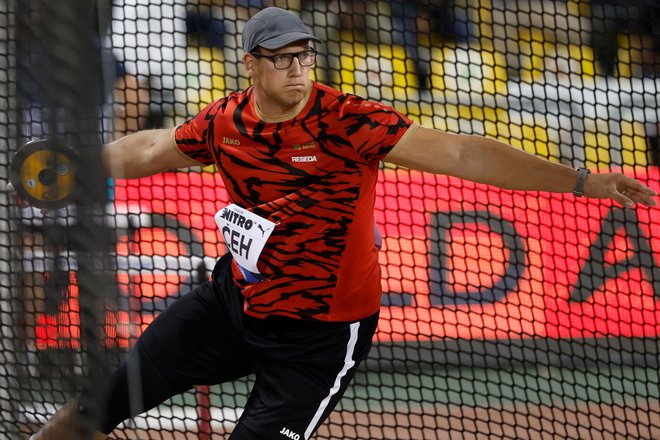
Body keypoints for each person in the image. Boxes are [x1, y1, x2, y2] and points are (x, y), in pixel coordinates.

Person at [28, 6, 658, 440]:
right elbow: (152, 149)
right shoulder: (226, 123)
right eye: (282, 59)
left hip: (319, 338)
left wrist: (580, 181)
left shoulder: (348, 121)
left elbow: (464, 152)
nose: (298, 69)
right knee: (95, 406)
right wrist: (80, 169)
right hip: (233, 303)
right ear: (251, 63)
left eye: (304, 56)